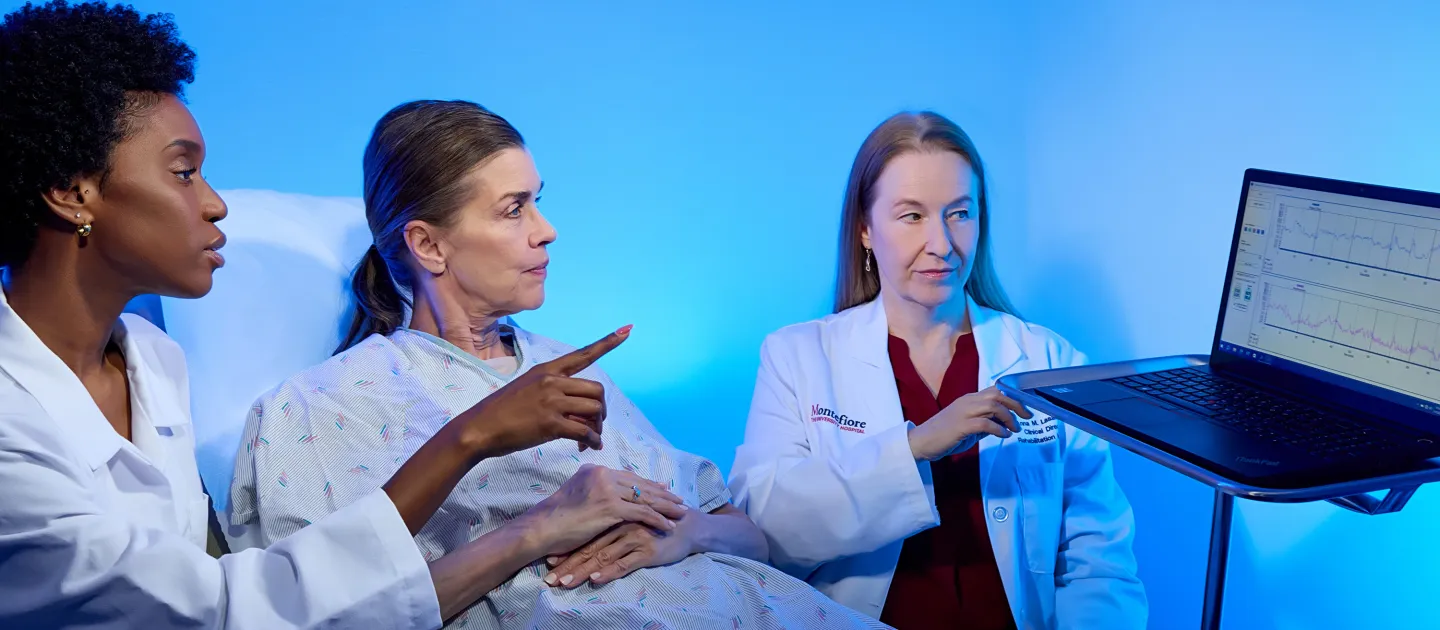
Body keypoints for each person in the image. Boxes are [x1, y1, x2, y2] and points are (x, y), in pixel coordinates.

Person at [0, 3, 682, 627]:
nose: (216, 204)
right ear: (71, 191)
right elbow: (224, 607)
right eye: (184, 173)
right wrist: (472, 445)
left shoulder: (153, 360)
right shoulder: (13, 422)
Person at [228, 99, 891, 629]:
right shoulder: (322, 408)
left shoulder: (572, 372)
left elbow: (750, 535)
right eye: (513, 209)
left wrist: (687, 536)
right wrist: (538, 527)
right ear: (428, 244)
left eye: (538, 200)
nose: (546, 230)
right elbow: (324, 615)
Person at [728, 111, 1147, 629]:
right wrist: (915, 447)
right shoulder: (797, 357)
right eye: (912, 216)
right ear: (864, 227)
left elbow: (1098, 562)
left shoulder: (1049, 362)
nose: (942, 245)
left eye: (959, 213)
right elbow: (764, 535)